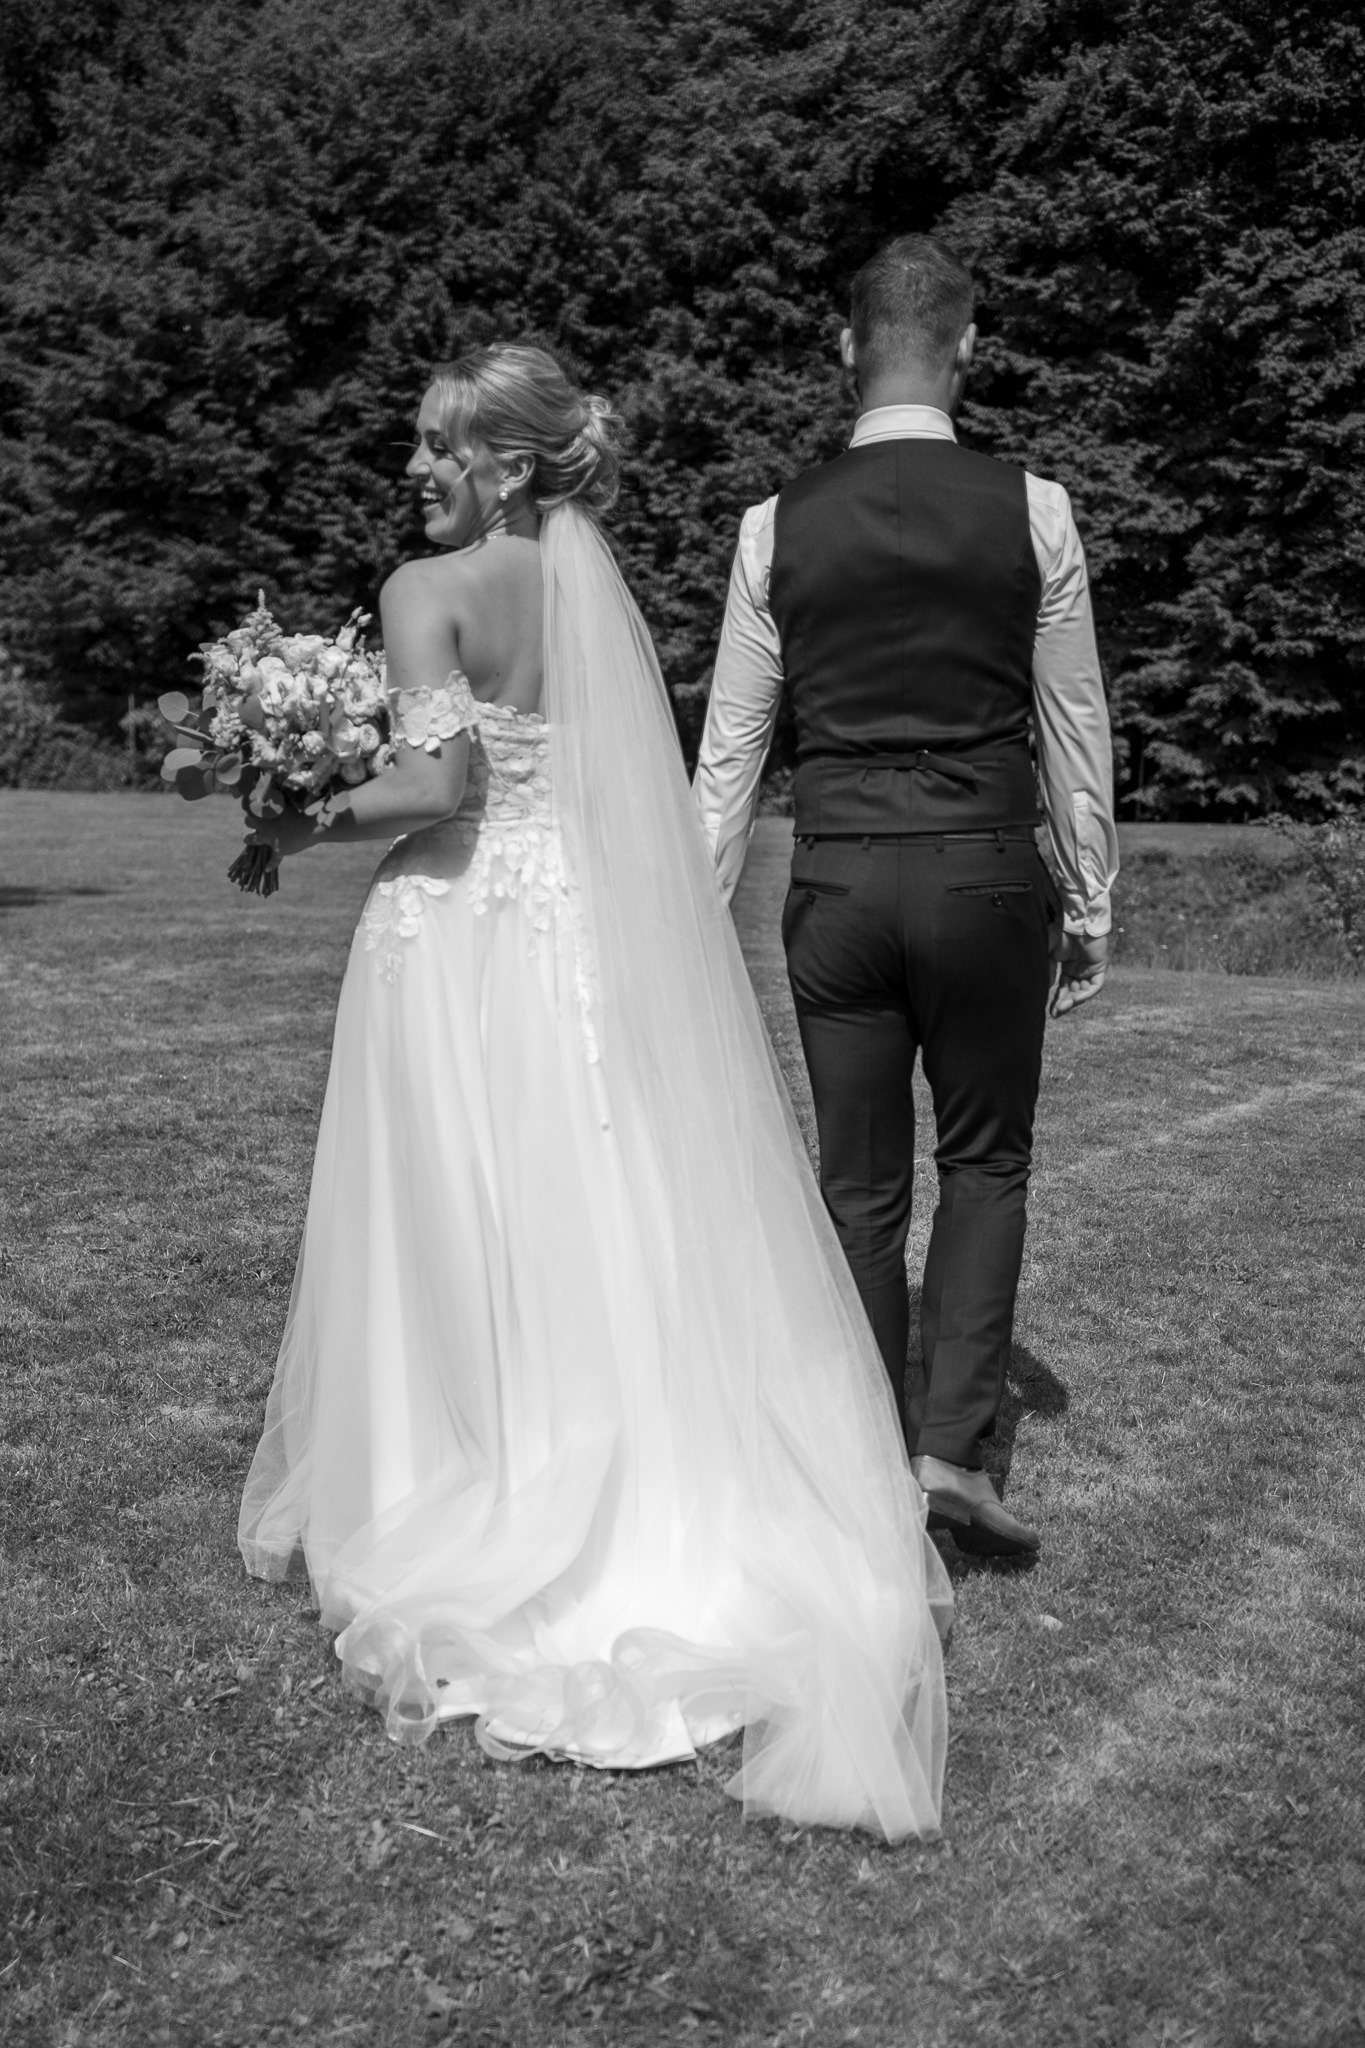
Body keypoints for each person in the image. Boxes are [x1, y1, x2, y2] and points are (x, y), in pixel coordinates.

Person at [237, 343, 952, 1842]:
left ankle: (468, 1478)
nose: (415, 470)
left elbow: (434, 791)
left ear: (508, 464)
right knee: (599, 1197)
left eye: (439, 447)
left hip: (459, 935)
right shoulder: (583, 584)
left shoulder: (423, 591)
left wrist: (291, 812)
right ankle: (630, 1469)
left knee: (465, 1207)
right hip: (579, 932)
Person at [695, 236, 1119, 1559]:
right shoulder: (1035, 508)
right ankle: (949, 1456)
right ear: (967, 348)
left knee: (858, 1185)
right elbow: (1073, 718)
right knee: (985, 1162)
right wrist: (1091, 898)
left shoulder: (772, 525)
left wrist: (691, 916)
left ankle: (862, 1459)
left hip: (836, 880)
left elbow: (730, 752)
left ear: (845, 348)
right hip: (986, 875)